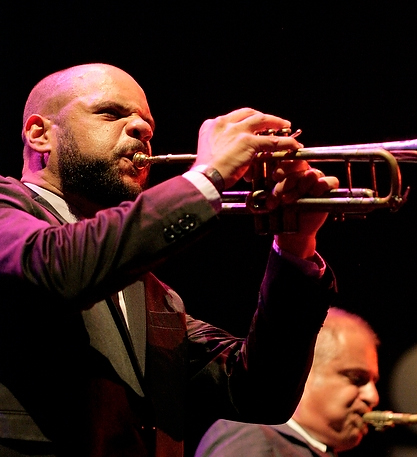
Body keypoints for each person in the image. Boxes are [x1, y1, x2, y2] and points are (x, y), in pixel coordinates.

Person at [0, 63, 340, 457]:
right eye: (111, 113)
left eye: (147, 124)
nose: (141, 130)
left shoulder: (154, 295)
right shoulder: (10, 212)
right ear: (40, 134)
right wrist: (208, 177)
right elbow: (56, 266)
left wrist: (295, 247)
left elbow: (259, 394)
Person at [194, 307, 380, 457]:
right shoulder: (253, 438)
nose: (373, 397)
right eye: (357, 378)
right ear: (304, 371)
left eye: (373, 381)